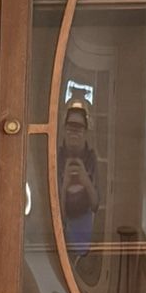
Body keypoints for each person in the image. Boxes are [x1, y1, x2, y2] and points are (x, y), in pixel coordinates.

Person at [58, 100, 100, 254]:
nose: (74, 132)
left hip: (84, 222)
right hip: (57, 228)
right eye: (70, 127)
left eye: (79, 128)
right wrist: (64, 187)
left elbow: (96, 205)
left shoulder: (92, 159)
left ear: (86, 131)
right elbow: (54, 210)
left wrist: (86, 181)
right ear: (64, 129)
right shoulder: (55, 158)